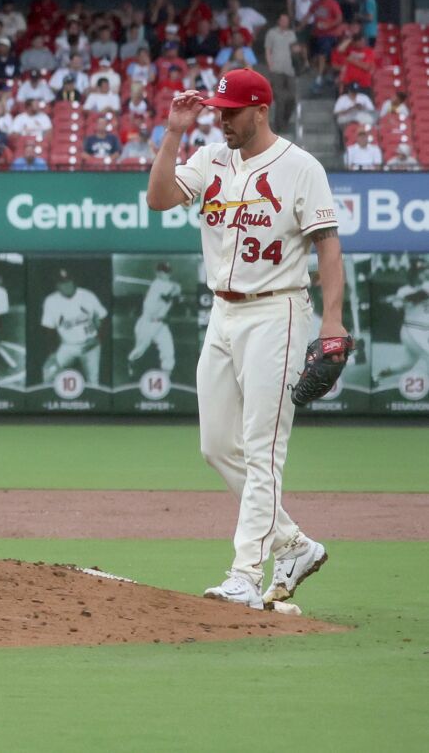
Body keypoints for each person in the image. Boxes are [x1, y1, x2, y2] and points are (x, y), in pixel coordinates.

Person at [145, 68, 339, 609]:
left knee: (262, 451)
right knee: (216, 446)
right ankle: (293, 545)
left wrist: (332, 320)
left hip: (277, 311)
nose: (222, 118)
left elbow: (327, 246)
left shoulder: (301, 167)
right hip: (223, 313)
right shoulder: (210, 158)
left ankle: (245, 575)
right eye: (218, 110)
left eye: (232, 110)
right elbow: (158, 198)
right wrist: (175, 132)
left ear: (260, 110)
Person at [39, 270, 108, 384]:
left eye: (69, 281)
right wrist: (52, 353)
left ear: (74, 282)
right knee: (49, 372)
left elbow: (104, 318)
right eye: (62, 283)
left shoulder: (87, 296)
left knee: (93, 382)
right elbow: (49, 329)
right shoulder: (50, 301)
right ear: (57, 286)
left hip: (90, 345)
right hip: (67, 346)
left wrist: (98, 339)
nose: (66, 285)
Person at [128, 262, 184, 374]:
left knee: (168, 350)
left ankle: (166, 376)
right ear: (157, 273)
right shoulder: (157, 285)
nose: (166, 274)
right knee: (139, 351)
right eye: (163, 272)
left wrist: (178, 293)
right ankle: (131, 362)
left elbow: (177, 300)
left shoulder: (167, 284)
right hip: (147, 324)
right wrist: (176, 289)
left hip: (161, 324)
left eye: (167, 272)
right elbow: (167, 296)